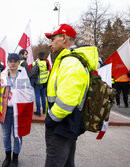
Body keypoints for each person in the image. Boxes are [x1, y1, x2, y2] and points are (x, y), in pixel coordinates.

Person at [44, 24, 98, 167]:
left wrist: (51, 119)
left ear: (64, 38)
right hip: (66, 122)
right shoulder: (69, 59)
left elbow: (66, 101)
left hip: (61, 124)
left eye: (52, 39)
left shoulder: (70, 62)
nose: (50, 44)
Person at [0, 53, 34, 167]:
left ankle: (15, 157)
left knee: (17, 134)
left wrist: (22, 110)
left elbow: (28, 94)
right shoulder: (2, 76)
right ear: (7, 63)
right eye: (10, 61)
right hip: (6, 110)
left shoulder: (23, 76)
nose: (12, 63)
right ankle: (7, 156)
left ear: (18, 63)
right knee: (6, 134)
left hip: (19, 111)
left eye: (15, 61)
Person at [32, 52, 50, 116]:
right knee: (43, 97)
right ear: (44, 56)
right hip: (44, 83)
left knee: (37, 97)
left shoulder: (35, 63)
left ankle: (38, 111)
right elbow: (48, 72)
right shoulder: (47, 63)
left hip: (37, 83)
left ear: (38, 56)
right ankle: (44, 110)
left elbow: (32, 72)